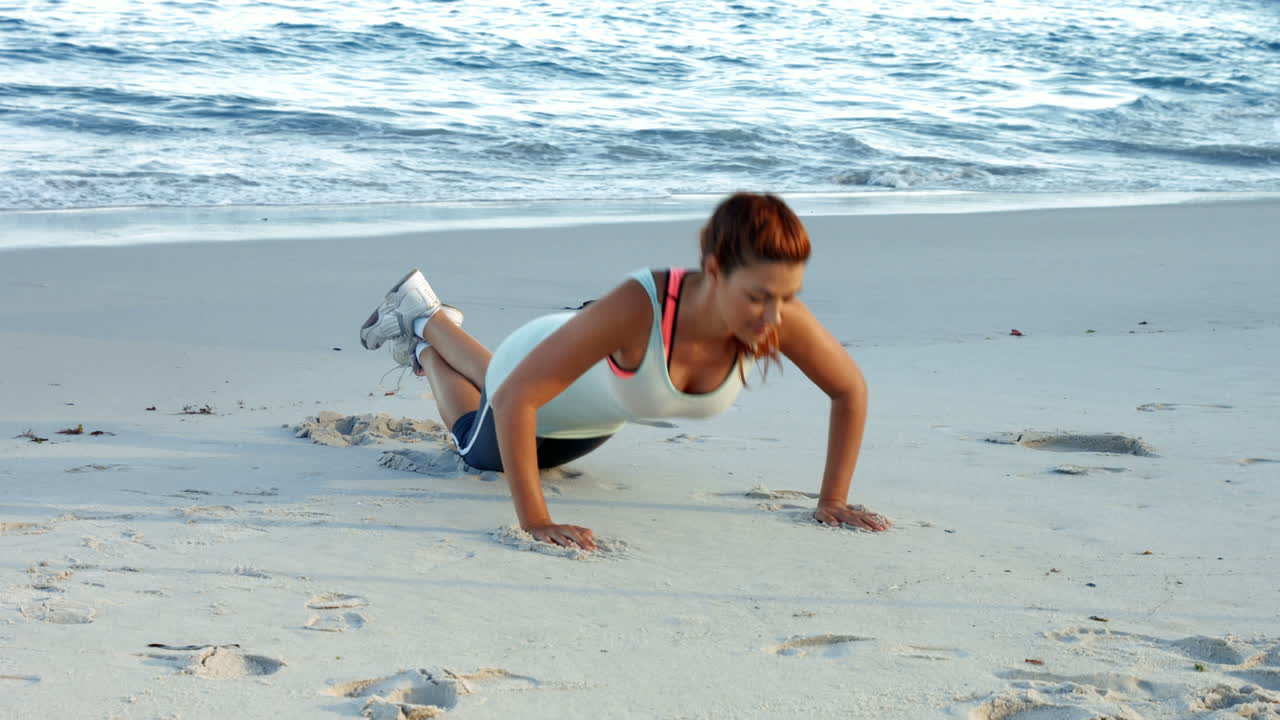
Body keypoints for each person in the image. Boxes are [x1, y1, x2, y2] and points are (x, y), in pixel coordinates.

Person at [359, 192, 890, 550]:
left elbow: (849, 390)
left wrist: (832, 500)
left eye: (787, 296)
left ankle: (429, 321)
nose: (775, 316)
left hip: (578, 408)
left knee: (524, 392)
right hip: (535, 373)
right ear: (713, 272)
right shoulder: (644, 304)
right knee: (476, 444)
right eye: (758, 296)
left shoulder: (772, 312)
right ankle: (427, 337)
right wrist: (536, 521)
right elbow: (518, 395)